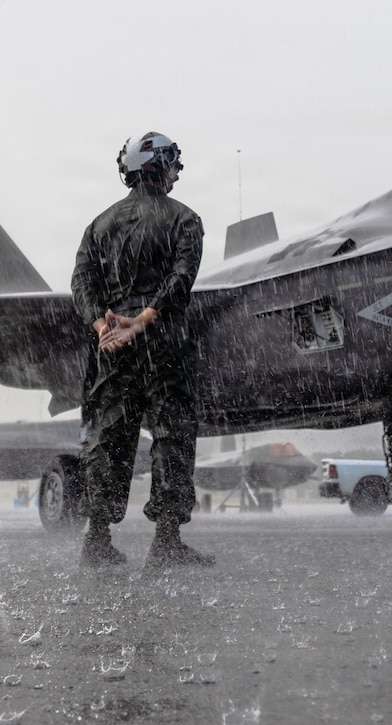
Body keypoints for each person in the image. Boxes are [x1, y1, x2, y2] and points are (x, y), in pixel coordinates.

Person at [70, 132, 213, 568]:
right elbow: (181, 279)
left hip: (112, 348)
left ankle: (96, 540)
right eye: (174, 164)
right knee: (171, 434)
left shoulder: (99, 224)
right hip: (164, 344)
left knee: (108, 436)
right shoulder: (184, 219)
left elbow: (81, 283)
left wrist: (103, 326)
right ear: (163, 165)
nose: (177, 172)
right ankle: (167, 542)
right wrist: (144, 320)